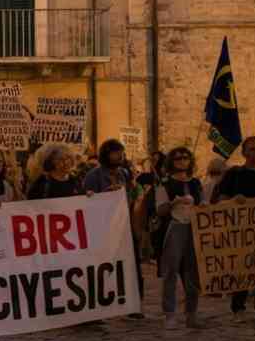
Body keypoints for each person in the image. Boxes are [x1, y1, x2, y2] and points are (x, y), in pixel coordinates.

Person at [212, 136, 255, 323]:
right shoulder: (235, 174)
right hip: (240, 230)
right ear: (244, 153)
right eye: (251, 149)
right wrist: (234, 200)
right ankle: (238, 308)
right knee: (242, 269)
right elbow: (221, 199)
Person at [84, 139, 145, 316]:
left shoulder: (124, 173)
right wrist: (105, 195)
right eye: (115, 152)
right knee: (103, 267)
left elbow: (133, 196)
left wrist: (134, 191)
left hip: (124, 225)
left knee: (132, 266)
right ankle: (97, 306)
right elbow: (87, 202)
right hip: (104, 228)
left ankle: (134, 305)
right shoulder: (93, 176)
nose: (119, 156)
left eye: (121, 152)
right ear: (106, 154)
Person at [155, 146, 204, 330]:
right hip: (175, 227)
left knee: (193, 272)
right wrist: (173, 202)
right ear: (171, 162)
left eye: (185, 157)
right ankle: (169, 313)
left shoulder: (196, 183)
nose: (182, 161)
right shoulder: (165, 184)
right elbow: (160, 210)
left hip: (194, 228)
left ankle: (191, 313)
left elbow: (203, 202)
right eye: (178, 158)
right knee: (171, 271)